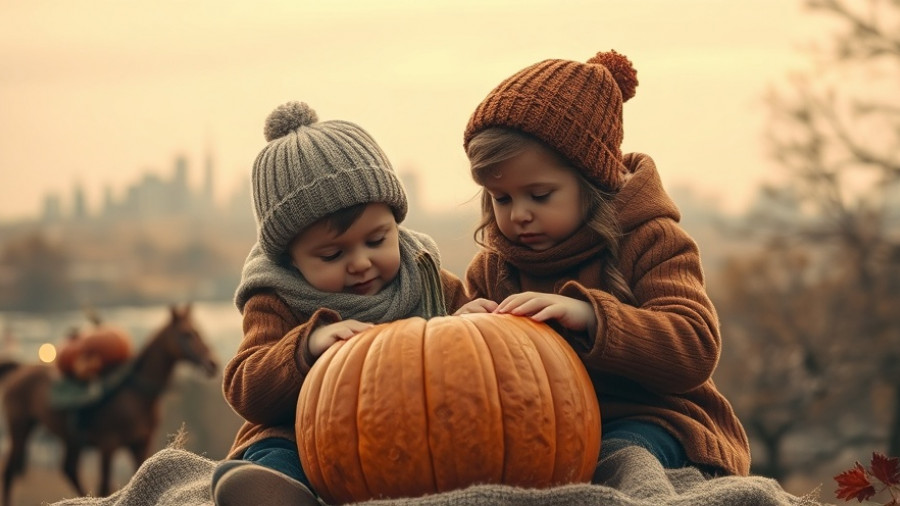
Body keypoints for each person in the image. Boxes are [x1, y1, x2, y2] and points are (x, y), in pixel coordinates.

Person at [454, 50, 751, 477]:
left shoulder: (651, 240)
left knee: (616, 462)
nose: (519, 214)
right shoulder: (494, 268)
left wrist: (593, 318)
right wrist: (467, 327)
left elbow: (695, 346)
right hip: (544, 431)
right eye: (502, 199)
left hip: (654, 421)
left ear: (591, 181)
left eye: (539, 195)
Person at [212, 101, 470, 506]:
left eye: (376, 240)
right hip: (309, 438)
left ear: (395, 223)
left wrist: (473, 322)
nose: (361, 263)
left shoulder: (425, 279)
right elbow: (247, 388)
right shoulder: (275, 299)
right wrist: (306, 346)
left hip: (421, 435)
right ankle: (276, 494)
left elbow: (486, 361)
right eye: (332, 256)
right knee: (275, 455)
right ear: (290, 260)